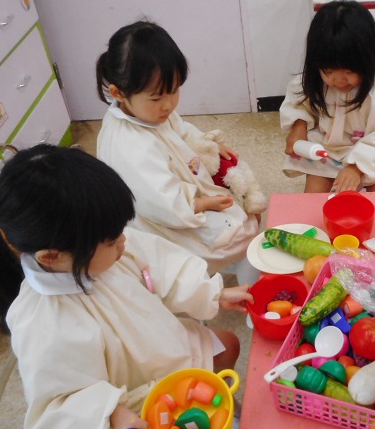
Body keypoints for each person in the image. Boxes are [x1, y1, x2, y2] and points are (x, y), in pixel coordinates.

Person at [0, 144, 252, 429]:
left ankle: (224, 407)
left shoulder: (96, 246)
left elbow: (162, 265)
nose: (124, 242)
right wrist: (110, 415)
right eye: (112, 240)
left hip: (164, 349)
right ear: (52, 256)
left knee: (228, 343)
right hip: (135, 400)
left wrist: (214, 293)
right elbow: (57, 400)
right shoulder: (43, 322)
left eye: (120, 230)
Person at [95, 20, 263, 284]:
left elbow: (182, 130)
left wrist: (207, 145)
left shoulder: (149, 113)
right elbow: (162, 202)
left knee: (245, 207)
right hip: (164, 222)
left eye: (174, 91)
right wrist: (201, 203)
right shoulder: (130, 145)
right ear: (119, 93)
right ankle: (244, 290)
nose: (168, 104)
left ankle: (241, 269)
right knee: (246, 232)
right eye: (156, 98)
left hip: (181, 195)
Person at [281, 0, 375, 193]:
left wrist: (356, 167)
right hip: (330, 148)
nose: (338, 80)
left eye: (349, 71)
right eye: (329, 71)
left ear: (368, 60)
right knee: (313, 194)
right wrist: (298, 126)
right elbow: (298, 104)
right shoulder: (314, 79)